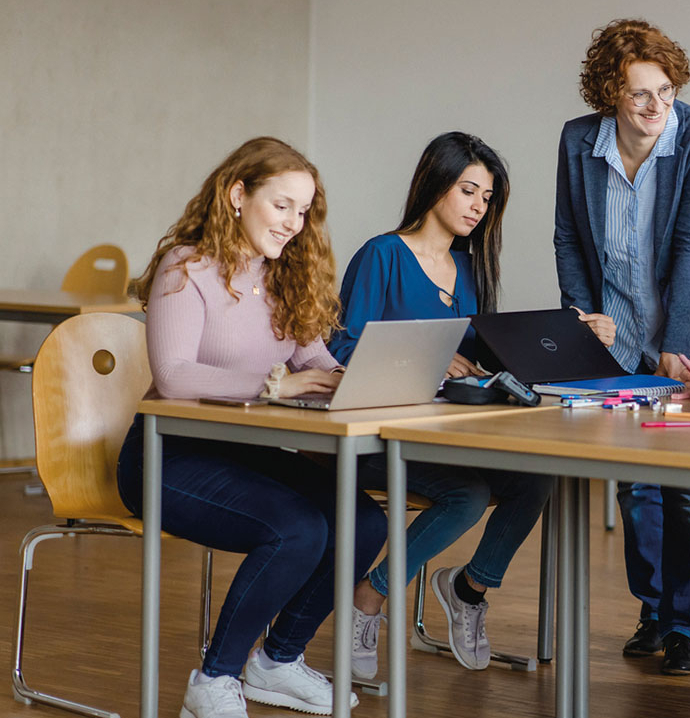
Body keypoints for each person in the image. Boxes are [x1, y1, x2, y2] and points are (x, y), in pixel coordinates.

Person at [117, 137, 386, 718]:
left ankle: (278, 662)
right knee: (298, 529)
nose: (293, 223)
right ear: (238, 195)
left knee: (363, 522)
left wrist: (361, 378)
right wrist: (274, 386)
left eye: (303, 210)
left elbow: (314, 361)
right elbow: (174, 375)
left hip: (244, 452)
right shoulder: (186, 267)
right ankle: (213, 680)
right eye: (281, 204)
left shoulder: (286, 276)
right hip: (168, 458)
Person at [329, 132, 555, 676]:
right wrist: (426, 362)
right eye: (468, 191)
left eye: (487, 198)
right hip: (376, 435)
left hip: (442, 432)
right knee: (469, 494)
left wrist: (552, 339)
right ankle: (370, 596)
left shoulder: (471, 268)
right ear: (435, 185)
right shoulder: (383, 254)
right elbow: (339, 346)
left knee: (538, 476)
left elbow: (477, 353)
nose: (479, 206)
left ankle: (469, 589)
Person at [552, 18, 690, 675]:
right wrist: (585, 316)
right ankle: (652, 612)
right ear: (609, 94)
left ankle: (685, 628)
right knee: (637, 488)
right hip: (619, 335)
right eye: (639, 94)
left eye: (666, 89)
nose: (657, 105)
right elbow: (570, 239)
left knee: (687, 489)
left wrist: (678, 345)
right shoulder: (579, 142)